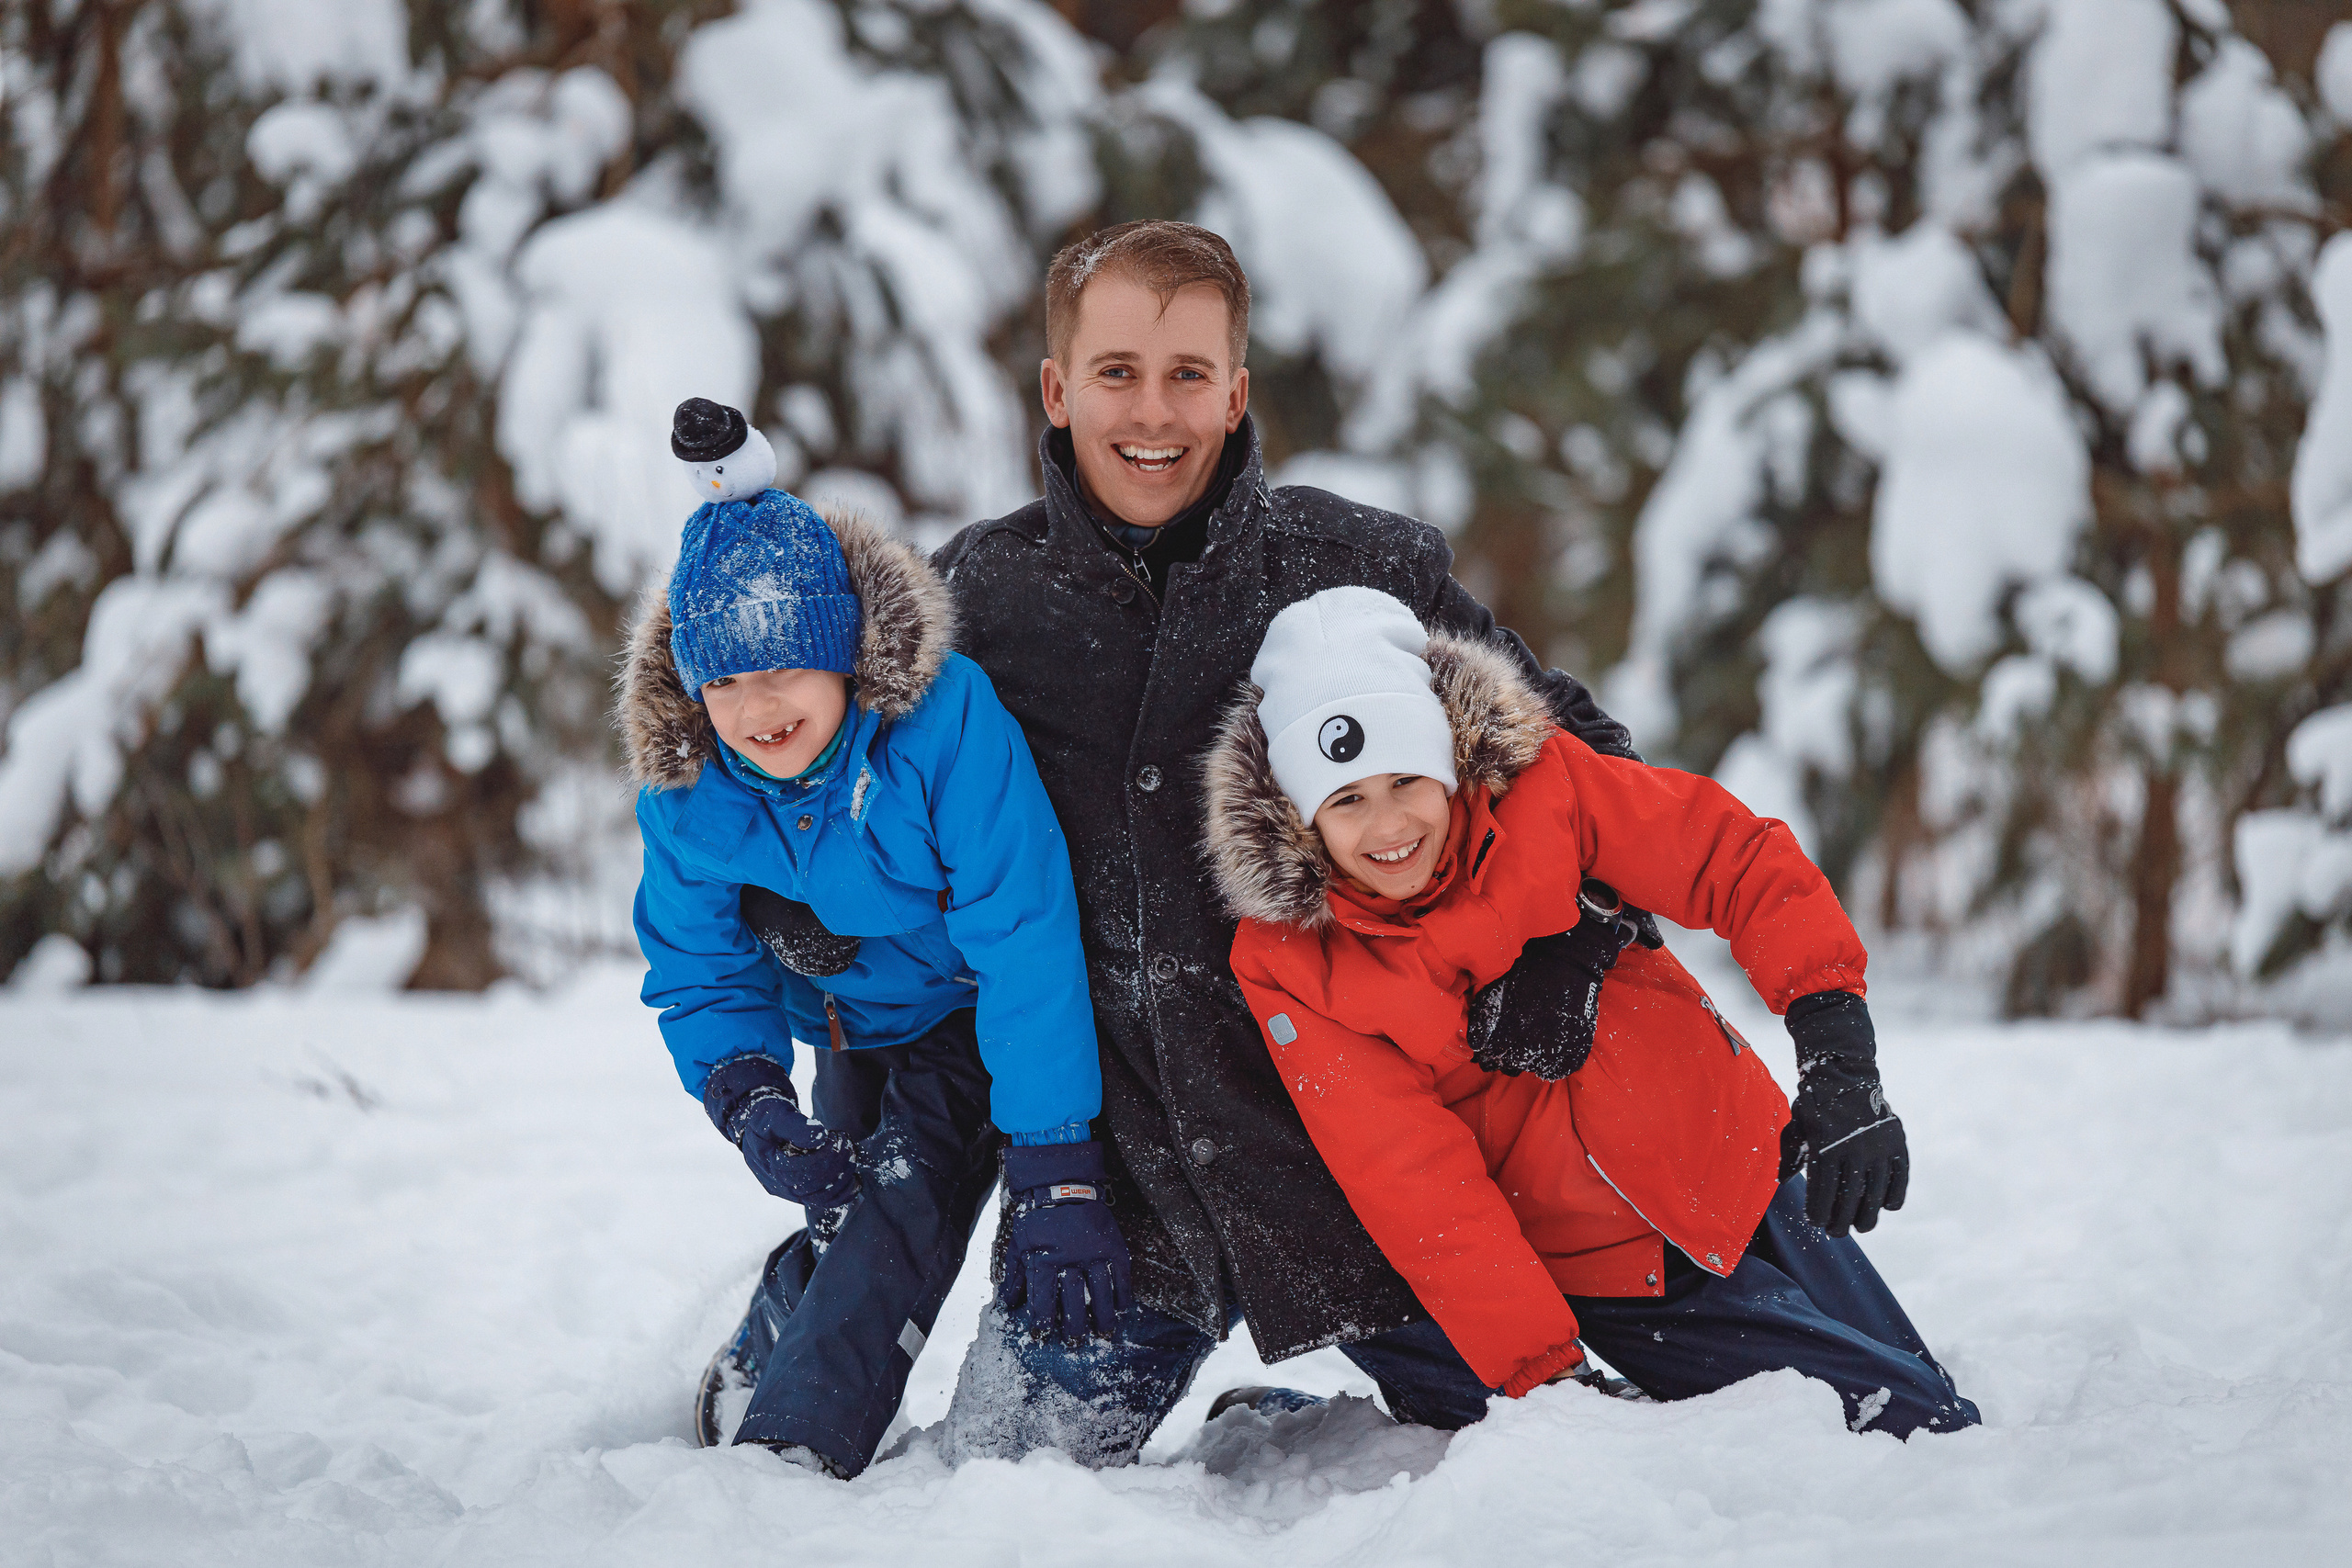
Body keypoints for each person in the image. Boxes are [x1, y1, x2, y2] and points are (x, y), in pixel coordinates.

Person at [932, 221, 1657, 1464]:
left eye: (1188, 373)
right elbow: (865, 813)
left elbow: (1581, 757)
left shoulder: (1357, 563)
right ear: (1056, 389)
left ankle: (1309, 1425)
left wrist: (1573, 936)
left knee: (1560, 1453)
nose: (1153, 411)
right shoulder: (981, 604)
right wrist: (801, 929)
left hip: (1379, 1173)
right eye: (1115, 372)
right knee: (987, 1496)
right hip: (1128, 1200)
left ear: (1238, 387)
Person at [1199, 585, 1977, 1437]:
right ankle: (1316, 1431)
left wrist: (1839, 1054)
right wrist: (1549, 1377)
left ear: (1448, 759)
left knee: (1923, 1405)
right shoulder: (1293, 965)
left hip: (1734, 1163)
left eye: (1406, 779)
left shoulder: (1547, 787)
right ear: (1301, 814)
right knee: (1916, 1428)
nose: (1388, 824)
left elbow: (1732, 860)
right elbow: (1415, 1182)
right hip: (1621, 1272)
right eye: (1345, 799)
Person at [622, 398, 1128, 1479]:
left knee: (907, 1199)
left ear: (845, 655)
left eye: (785, 670)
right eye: (726, 682)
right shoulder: (690, 792)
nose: (759, 709)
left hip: (966, 1005)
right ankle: (771, 1336)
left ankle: (789, 1457)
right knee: (845, 1201)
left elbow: (1024, 931)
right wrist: (750, 1095)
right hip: (844, 1022)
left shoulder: (940, 726)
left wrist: (1054, 1157)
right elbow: (697, 964)